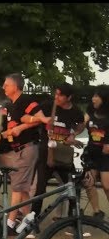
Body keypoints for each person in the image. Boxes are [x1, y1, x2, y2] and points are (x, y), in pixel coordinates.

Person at [26, 83, 85, 219]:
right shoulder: (48, 106)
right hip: (46, 154)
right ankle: (33, 220)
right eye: (56, 93)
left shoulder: (75, 111)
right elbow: (29, 113)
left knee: (71, 187)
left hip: (63, 155)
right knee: (40, 189)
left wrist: (73, 134)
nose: (56, 97)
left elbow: (81, 125)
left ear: (69, 97)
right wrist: (41, 118)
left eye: (60, 95)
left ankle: (73, 218)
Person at [0, 73, 41, 235]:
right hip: (19, 149)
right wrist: (1, 135)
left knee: (17, 187)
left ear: (16, 86)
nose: (3, 87)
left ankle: (10, 223)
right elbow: (11, 129)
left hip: (28, 148)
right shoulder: (11, 106)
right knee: (23, 189)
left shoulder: (26, 101)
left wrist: (22, 128)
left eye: (6, 84)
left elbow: (40, 119)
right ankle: (31, 224)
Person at [80, 85, 109, 220]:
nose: (93, 99)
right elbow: (81, 125)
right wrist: (72, 134)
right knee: (89, 183)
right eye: (93, 96)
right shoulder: (90, 111)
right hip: (92, 152)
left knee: (106, 185)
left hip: (106, 155)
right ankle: (97, 211)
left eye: (96, 96)